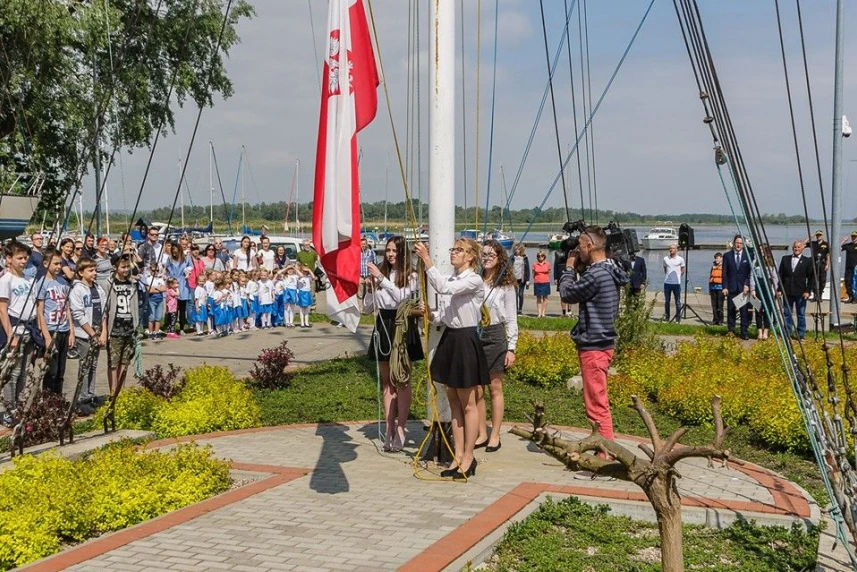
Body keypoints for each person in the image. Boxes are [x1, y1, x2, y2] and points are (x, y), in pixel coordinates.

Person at [414, 238, 488, 480]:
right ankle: (457, 455)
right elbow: (446, 316)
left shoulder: (472, 279)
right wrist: (432, 315)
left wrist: (427, 260)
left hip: (466, 339)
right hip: (451, 338)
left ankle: (469, 456)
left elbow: (444, 288)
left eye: (459, 250)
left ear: (470, 257)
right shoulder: (455, 279)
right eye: (453, 249)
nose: (454, 253)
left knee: (468, 402)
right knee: (454, 400)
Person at [558, 226, 629, 451]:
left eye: (579, 246)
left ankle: (605, 455)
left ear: (589, 245)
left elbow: (567, 293)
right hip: (603, 342)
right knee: (599, 401)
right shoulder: (610, 269)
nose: (577, 251)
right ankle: (604, 449)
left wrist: (569, 270)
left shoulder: (596, 274)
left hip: (594, 345)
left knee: (596, 405)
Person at [364, 236, 423, 451]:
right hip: (383, 324)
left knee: (403, 379)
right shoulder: (381, 274)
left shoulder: (411, 275)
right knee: (388, 380)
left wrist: (381, 278)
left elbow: (402, 297)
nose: (390, 254)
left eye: (395, 251)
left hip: (402, 324)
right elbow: (368, 309)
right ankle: (388, 427)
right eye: (388, 250)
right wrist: (370, 289)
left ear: (402, 253)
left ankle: (401, 427)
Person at [476, 239, 518, 453]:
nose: (487, 258)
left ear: (499, 257)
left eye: (491, 254)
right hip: (475, 333)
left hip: (494, 334)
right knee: (476, 388)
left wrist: (511, 348)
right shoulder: (474, 281)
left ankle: (495, 435)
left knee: (494, 387)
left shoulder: (506, 285)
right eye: (483, 254)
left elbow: (511, 318)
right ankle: (482, 432)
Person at [0, 240, 38, 424]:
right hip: (15, 328)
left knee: (23, 372)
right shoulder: (6, 280)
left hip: (29, 329)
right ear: (9, 258)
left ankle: (19, 406)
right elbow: (2, 309)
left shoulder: (29, 280)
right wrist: (10, 334)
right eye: (19, 258)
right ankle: (9, 409)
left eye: (25, 258)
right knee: (12, 373)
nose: (23, 261)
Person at [70, 258, 107, 415]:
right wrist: (92, 333)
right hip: (85, 335)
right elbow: (78, 314)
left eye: (95, 270)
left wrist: (103, 332)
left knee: (93, 366)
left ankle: (90, 395)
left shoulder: (98, 288)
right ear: (80, 273)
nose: (94, 273)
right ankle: (82, 399)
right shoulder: (77, 290)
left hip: (98, 332)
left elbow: (104, 311)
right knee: (85, 366)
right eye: (90, 270)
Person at [36, 248, 74, 395]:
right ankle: (47, 402)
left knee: (61, 370)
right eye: (55, 264)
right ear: (46, 263)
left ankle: (57, 401)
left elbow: (67, 307)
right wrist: (46, 336)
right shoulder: (42, 283)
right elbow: (40, 311)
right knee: (50, 371)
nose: (58, 267)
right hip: (51, 330)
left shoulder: (63, 282)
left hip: (64, 329)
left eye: (60, 264)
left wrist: (71, 331)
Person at [105, 254, 139, 400]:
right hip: (115, 328)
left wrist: (136, 325)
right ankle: (113, 391)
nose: (126, 270)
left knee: (125, 362)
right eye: (123, 267)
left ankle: (122, 390)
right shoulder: (108, 283)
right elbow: (105, 308)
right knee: (114, 363)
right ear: (115, 267)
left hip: (128, 327)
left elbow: (135, 305)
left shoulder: (132, 284)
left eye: (127, 267)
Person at [778, 240, 812, 340]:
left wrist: (808, 291)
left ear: (802, 248)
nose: (796, 249)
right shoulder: (785, 259)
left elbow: (811, 277)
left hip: (801, 291)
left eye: (798, 247)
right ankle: (787, 332)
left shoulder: (807, 261)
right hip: (787, 290)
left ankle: (800, 333)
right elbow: (781, 275)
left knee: (801, 314)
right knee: (787, 313)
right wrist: (779, 289)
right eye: (795, 247)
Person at [722, 235, 754, 340]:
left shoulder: (748, 256)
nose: (738, 244)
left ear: (743, 244)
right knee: (731, 310)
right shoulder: (727, 256)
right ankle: (731, 330)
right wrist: (725, 287)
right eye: (737, 242)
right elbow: (724, 273)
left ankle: (744, 331)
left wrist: (747, 285)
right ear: (734, 243)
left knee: (744, 311)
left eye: (740, 243)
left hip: (743, 288)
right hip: (731, 287)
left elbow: (750, 273)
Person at [165, 243, 192, 333]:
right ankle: (171, 327)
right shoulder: (170, 259)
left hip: (183, 283)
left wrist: (188, 271)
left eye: (176, 252)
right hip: (172, 282)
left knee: (182, 307)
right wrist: (169, 282)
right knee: (173, 308)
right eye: (173, 252)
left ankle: (181, 328)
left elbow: (190, 266)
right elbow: (167, 270)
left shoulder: (186, 258)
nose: (175, 254)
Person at [662, 243, 684, 322]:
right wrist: (668, 276)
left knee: (677, 301)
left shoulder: (680, 259)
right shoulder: (665, 259)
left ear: (676, 250)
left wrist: (678, 276)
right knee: (667, 301)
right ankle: (667, 316)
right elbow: (665, 268)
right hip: (667, 283)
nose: (671, 250)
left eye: (673, 248)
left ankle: (678, 317)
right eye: (670, 248)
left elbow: (683, 269)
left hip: (676, 283)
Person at [144, 263, 167, 339]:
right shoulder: (148, 279)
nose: (155, 272)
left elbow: (164, 289)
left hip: (160, 300)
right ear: (150, 270)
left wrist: (155, 289)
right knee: (151, 317)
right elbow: (149, 290)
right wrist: (159, 289)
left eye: (157, 270)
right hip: (151, 300)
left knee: (158, 317)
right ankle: (150, 332)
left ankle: (156, 332)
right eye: (153, 270)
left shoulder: (160, 279)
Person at [807, 230, 830, 300]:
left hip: (822, 264)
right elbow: (802, 244)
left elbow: (828, 255)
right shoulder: (813, 243)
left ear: (822, 236)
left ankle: (820, 295)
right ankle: (815, 295)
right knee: (813, 280)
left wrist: (828, 264)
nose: (818, 236)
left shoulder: (826, 244)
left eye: (819, 235)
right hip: (814, 264)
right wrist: (810, 238)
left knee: (822, 280)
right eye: (817, 235)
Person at [511, 245, 530, 314]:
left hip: (522, 278)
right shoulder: (512, 257)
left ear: (521, 250)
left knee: (521, 294)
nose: (517, 251)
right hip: (514, 278)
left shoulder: (524, 257)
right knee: (515, 294)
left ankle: (520, 309)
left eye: (518, 249)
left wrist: (527, 279)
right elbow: (509, 268)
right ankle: (515, 309)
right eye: (516, 249)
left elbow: (527, 269)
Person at [532, 251, 551, 318]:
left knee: (545, 297)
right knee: (539, 298)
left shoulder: (547, 264)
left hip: (545, 282)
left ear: (544, 256)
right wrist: (535, 279)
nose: (540, 257)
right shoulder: (535, 264)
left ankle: (543, 312)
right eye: (539, 256)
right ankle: (539, 313)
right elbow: (533, 273)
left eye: (542, 256)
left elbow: (549, 273)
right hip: (537, 282)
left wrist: (547, 279)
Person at [708, 253, 724, 325]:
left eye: (718, 258)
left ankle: (720, 319)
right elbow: (710, 277)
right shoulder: (713, 267)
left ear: (721, 258)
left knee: (720, 304)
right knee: (714, 304)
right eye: (716, 258)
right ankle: (715, 319)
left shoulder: (724, 267)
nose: (716, 259)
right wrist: (709, 288)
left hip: (720, 288)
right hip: (713, 288)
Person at [841, 231, 857, 303]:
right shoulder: (848, 245)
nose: (854, 238)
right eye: (853, 236)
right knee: (848, 282)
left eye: (855, 237)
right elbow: (837, 248)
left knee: (855, 283)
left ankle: (855, 298)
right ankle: (850, 297)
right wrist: (843, 241)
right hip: (848, 267)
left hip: (856, 268)